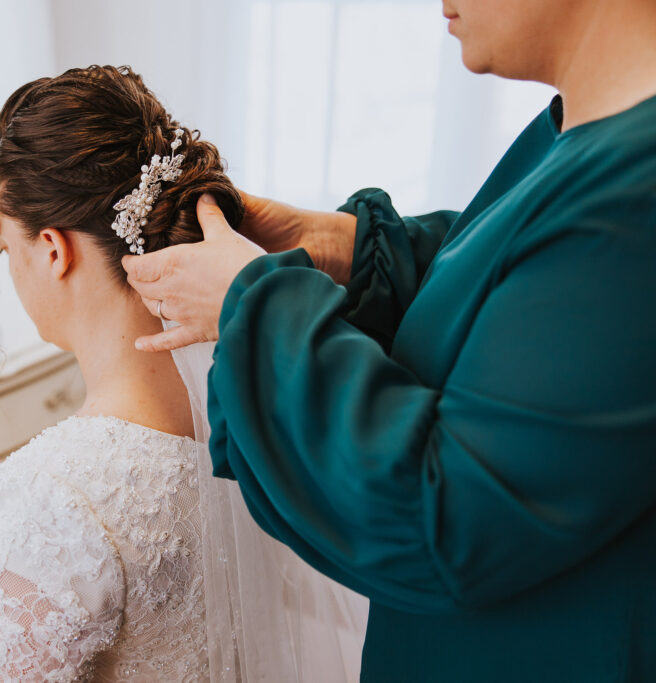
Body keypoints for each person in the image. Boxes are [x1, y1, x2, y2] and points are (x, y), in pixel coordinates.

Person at [120, 1, 656, 681]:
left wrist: (252, 307)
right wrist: (341, 247)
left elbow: (449, 516)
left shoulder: (637, 201)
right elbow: (515, 298)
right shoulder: (588, 136)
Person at [0, 65, 367, 683]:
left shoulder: (48, 503)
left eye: (4, 244)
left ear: (53, 249)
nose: (8, 267)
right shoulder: (248, 410)